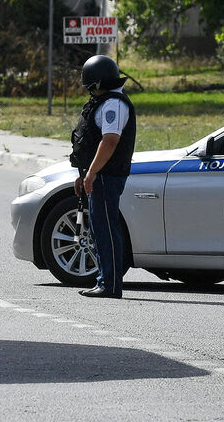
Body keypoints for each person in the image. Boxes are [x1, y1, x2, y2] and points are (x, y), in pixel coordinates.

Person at [69, 54, 135, 299]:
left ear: (97, 83)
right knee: (99, 229)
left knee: (106, 229)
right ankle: (105, 280)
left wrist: (93, 172)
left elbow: (110, 141)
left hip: (107, 176)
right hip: (99, 175)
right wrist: (85, 173)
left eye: (89, 85)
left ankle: (110, 284)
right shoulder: (105, 101)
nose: (88, 90)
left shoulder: (113, 105)